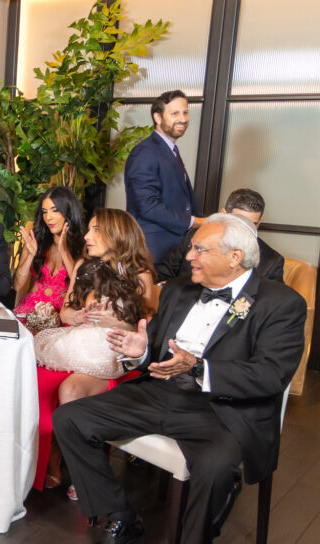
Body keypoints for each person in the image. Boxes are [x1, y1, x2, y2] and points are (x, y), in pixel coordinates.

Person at [53, 213, 306, 544]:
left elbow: (271, 374)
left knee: (216, 466)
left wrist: (199, 368)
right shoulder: (180, 292)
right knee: (72, 420)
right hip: (162, 392)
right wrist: (140, 351)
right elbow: (153, 348)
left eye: (200, 249)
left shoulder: (281, 304)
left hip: (224, 410)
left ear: (236, 256)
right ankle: (122, 519)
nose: (189, 256)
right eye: (192, 247)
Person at [35, 208, 156, 495]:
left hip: (115, 348)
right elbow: (65, 312)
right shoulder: (83, 267)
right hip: (79, 339)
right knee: (43, 383)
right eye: (88, 229)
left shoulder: (141, 276)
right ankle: (52, 458)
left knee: (71, 391)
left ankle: (85, 470)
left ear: (117, 234)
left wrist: (115, 321)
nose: (87, 236)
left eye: (95, 230)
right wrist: (81, 317)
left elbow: (150, 328)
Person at [124, 90, 205, 265]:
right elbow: (148, 206)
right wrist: (195, 222)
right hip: (153, 249)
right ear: (158, 117)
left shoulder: (168, 150)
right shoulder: (145, 152)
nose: (183, 119)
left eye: (185, 112)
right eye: (175, 113)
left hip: (174, 248)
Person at [156, 188, 284, 283]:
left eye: (253, 225)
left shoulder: (272, 261)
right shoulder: (195, 239)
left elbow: (273, 305)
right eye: (239, 222)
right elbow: (163, 274)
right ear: (223, 214)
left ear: (260, 221)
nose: (245, 231)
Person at [13, 186, 85, 330]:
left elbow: (81, 287)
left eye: (55, 210)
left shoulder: (83, 245)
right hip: (30, 312)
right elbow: (17, 285)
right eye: (44, 212)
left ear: (68, 212)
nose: (48, 217)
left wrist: (64, 252)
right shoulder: (36, 240)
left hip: (61, 319)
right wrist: (30, 256)